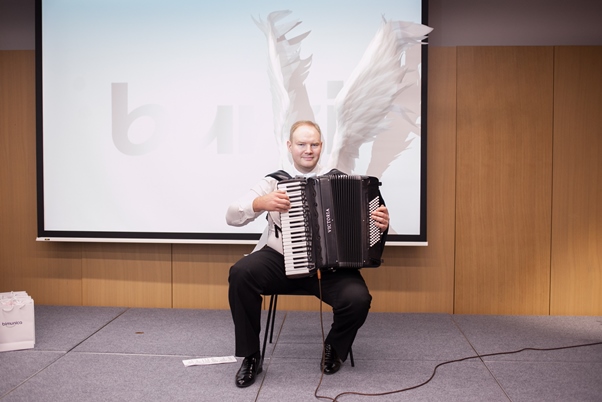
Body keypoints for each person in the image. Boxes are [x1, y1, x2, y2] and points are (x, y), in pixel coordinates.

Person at [226, 120, 390, 388]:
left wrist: (379, 223)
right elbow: (231, 216)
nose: (308, 150)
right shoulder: (273, 182)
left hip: (329, 269)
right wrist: (260, 203)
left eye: (314, 144)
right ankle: (251, 356)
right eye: (301, 144)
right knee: (241, 273)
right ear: (290, 146)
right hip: (279, 260)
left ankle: (334, 347)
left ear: (321, 146)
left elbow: (369, 223)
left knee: (358, 298)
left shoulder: (342, 180)